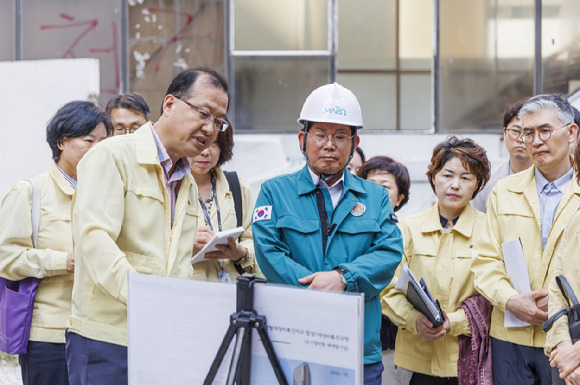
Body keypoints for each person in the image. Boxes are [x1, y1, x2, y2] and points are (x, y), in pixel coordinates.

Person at [66, 67, 229, 385]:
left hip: (161, 337)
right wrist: (144, 297)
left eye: (219, 121)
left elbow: (179, 263)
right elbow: (94, 239)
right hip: (107, 338)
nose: (210, 129)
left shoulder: (185, 180)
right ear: (169, 104)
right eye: (204, 113)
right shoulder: (112, 156)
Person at [252, 82, 403, 385]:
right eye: (320, 134)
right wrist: (316, 290)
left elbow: (389, 253)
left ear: (354, 142)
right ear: (302, 139)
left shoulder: (375, 197)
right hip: (292, 342)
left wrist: (344, 278)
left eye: (340, 136)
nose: (329, 144)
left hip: (358, 348)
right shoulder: (274, 192)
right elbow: (269, 253)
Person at [472, 93, 580, 385]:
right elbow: (483, 259)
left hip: (569, 340)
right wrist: (510, 300)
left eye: (545, 131)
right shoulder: (503, 191)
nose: (535, 141)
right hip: (510, 336)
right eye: (527, 133)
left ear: (571, 133)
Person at [0, 101, 111, 385]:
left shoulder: (109, 194)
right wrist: (63, 262)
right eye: (89, 140)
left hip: (100, 334)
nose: (97, 149)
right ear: (62, 141)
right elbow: (7, 259)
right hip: (48, 337)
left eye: (103, 142)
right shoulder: (30, 192)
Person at [382, 136, 490, 385]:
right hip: (416, 362)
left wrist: (456, 322)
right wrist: (414, 320)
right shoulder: (407, 229)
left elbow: (494, 297)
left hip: (468, 361)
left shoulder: (490, 230)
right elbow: (388, 289)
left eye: (466, 177)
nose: (455, 185)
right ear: (433, 178)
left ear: (477, 184)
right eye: (447, 175)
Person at [358, 156, 411, 385]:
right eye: (370, 185)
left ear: (399, 198)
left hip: (388, 341)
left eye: (385, 187)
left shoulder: (407, 233)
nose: (376, 192)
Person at [189, 121, 259, 281]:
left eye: (213, 143)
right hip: (187, 291)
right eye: (199, 142)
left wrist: (242, 253)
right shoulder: (170, 186)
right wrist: (186, 245)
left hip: (232, 290)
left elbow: (254, 239)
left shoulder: (237, 186)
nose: (205, 152)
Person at [471, 100, 532, 212]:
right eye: (515, 131)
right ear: (504, 133)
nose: (520, 139)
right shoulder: (488, 181)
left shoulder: (547, 178)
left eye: (527, 133)